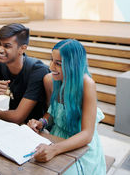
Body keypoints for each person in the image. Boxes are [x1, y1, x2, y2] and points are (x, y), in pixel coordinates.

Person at [28, 39, 106, 174]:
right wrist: (42, 122)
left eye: (58, 63)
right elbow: (53, 112)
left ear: (73, 65)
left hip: (80, 147)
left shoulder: (87, 84)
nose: (51, 67)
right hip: (56, 139)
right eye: (51, 60)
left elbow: (87, 134)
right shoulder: (52, 79)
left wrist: (54, 149)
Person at [0, 23, 50, 124]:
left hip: (37, 130)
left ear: (22, 48)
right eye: (0, 44)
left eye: (7, 46)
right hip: (11, 125)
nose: (0, 50)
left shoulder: (38, 70)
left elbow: (18, 117)